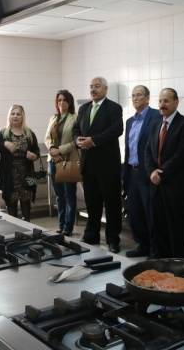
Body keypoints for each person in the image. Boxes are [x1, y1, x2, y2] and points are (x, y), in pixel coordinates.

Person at [72, 77, 124, 253]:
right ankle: (91, 235)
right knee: (92, 203)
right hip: (88, 165)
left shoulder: (114, 108)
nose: (93, 89)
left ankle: (113, 239)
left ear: (105, 89)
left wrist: (93, 141)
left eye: (97, 86)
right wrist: (77, 140)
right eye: (91, 87)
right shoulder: (84, 108)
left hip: (108, 165)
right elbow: (76, 129)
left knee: (112, 204)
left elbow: (116, 130)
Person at [145, 88, 184, 258]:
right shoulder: (155, 124)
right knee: (157, 226)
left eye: (166, 101)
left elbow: (181, 155)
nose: (162, 104)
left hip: (175, 186)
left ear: (176, 102)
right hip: (156, 185)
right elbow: (147, 151)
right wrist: (152, 172)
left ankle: (179, 264)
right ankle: (160, 261)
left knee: (176, 228)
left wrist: (161, 173)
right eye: (160, 101)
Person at [122, 85, 160, 257]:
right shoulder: (130, 121)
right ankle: (142, 245)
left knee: (151, 213)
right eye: (133, 95)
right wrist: (125, 175)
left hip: (148, 173)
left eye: (139, 95)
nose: (135, 98)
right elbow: (129, 149)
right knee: (135, 212)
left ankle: (155, 249)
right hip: (132, 173)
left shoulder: (156, 117)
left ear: (147, 98)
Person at [0, 105, 40, 221]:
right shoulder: (3, 134)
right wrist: (4, 144)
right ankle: (14, 231)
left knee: (26, 210)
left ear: (22, 117)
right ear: (9, 116)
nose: (15, 116)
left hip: (26, 177)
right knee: (12, 211)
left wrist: (34, 156)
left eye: (18, 114)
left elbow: (36, 152)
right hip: (10, 178)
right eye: (13, 114)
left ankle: (28, 231)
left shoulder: (29, 134)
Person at [45, 90, 79, 235]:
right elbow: (47, 138)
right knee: (59, 196)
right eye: (59, 100)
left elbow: (76, 142)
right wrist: (52, 148)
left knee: (69, 195)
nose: (61, 103)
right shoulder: (53, 118)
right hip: (53, 161)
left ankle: (68, 227)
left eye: (65, 100)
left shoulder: (75, 118)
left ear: (69, 102)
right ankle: (61, 224)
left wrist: (59, 150)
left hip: (68, 161)